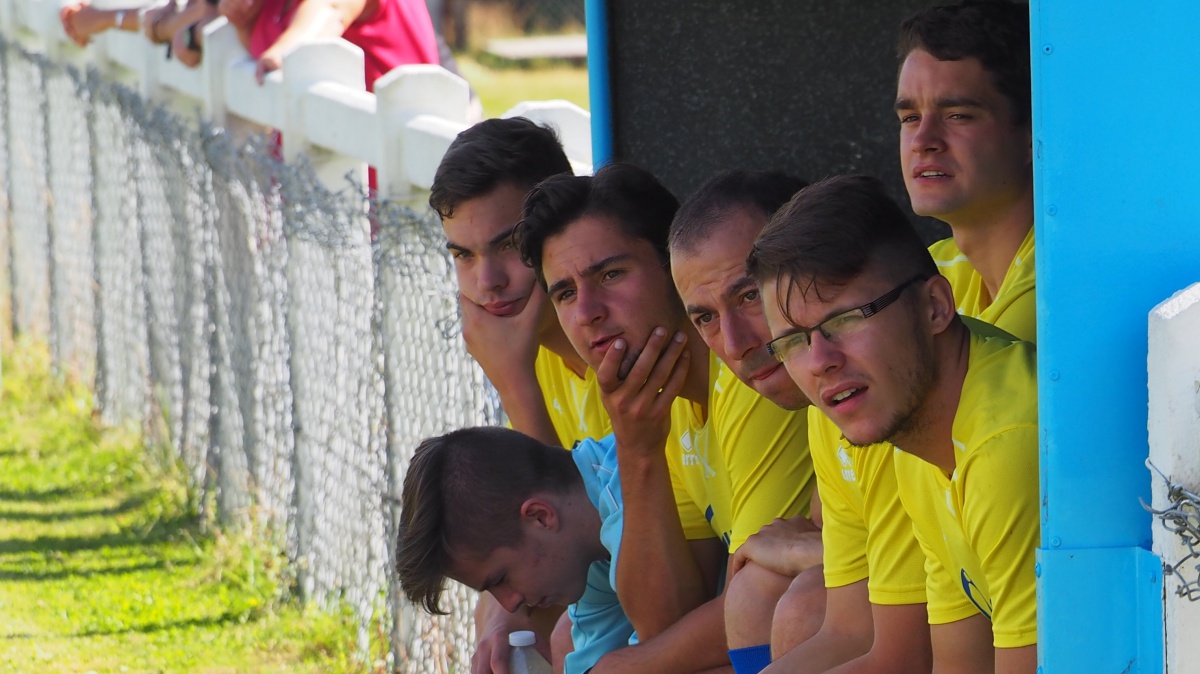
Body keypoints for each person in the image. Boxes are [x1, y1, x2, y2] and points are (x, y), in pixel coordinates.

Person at [516, 163, 815, 672]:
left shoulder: (751, 373)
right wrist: (638, 451)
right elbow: (665, 617)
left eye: (610, 275)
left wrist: (626, 668)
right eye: (565, 293)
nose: (587, 311)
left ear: (674, 271)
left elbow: (760, 599)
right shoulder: (659, 401)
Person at [747, 175, 1039, 673]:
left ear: (935, 306)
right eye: (793, 341)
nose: (819, 361)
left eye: (845, 319)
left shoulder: (1004, 446)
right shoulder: (920, 440)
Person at [669, 170, 932, 674]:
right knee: (756, 591)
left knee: (804, 605)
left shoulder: (886, 392)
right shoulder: (825, 404)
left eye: (749, 295)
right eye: (704, 318)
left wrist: (812, 552)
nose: (734, 343)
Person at [428, 117, 611, 674]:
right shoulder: (534, 349)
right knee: (498, 618)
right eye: (463, 255)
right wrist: (501, 618)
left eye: (507, 245)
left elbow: (575, 537)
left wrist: (513, 381)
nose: (487, 282)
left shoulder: (615, 340)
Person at [394, 426, 636, 674]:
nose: (510, 604)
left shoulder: (635, 495)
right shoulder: (590, 552)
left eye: (501, 579)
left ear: (540, 517)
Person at [895, 0, 1036, 342]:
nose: (922, 141)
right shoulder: (935, 266)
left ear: (1034, 136)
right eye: (910, 117)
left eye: (957, 115)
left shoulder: (1058, 284)